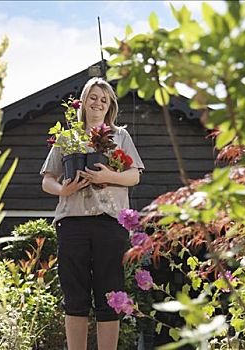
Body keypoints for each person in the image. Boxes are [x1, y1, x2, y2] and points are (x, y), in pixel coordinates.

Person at [40, 77, 145, 350]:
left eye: (103, 99)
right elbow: (47, 179)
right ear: (83, 102)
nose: (97, 102)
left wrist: (111, 175)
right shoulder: (68, 137)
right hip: (72, 222)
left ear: (109, 105)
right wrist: (62, 190)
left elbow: (134, 176)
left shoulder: (120, 136)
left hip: (110, 222)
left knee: (110, 294)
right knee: (75, 295)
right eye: (93, 97)